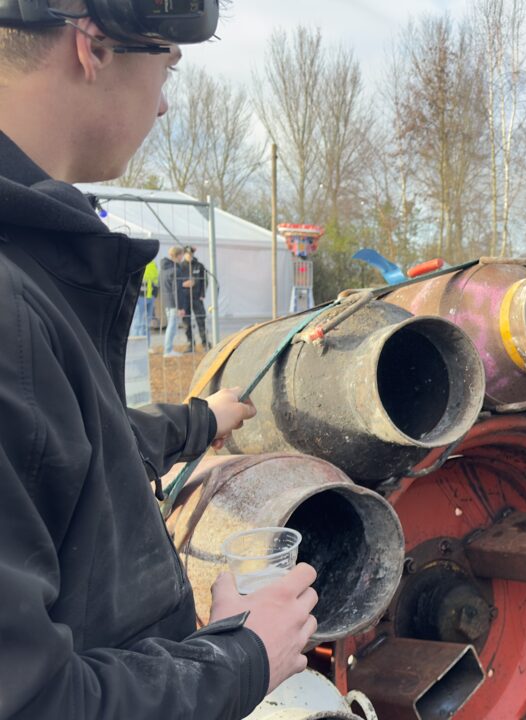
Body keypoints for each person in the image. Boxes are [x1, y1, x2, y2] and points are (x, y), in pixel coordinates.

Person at [0, 2, 319, 719]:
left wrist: (202, 420)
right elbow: (31, 702)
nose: (168, 103)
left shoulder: (30, 263)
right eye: (168, 65)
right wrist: (243, 659)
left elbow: (69, 454)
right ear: (93, 46)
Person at [159, 244, 186, 356]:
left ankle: (168, 349)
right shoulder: (175, 270)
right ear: (178, 255)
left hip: (167, 301)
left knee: (171, 325)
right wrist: (180, 307)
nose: (182, 258)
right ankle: (168, 350)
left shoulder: (164, 268)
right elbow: (176, 290)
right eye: (181, 255)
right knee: (172, 326)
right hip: (174, 302)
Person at [183, 244, 210, 351]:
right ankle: (191, 345)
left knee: (201, 321)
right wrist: (184, 284)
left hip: (197, 298)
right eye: (188, 254)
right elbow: (176, 283)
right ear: (184, 254)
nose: (190, 256)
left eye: (191, 254)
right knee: (186, 322)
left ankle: (205, 343)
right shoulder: (180, 266)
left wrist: (202, 294)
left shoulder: (199, 266)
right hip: (185, 299)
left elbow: (205, 281)